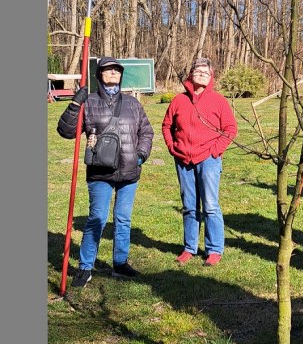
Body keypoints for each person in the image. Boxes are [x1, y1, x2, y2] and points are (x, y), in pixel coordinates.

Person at [57, 57, 154, 287]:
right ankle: (85, 267)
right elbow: (66, 131)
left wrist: (140, 155)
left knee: (123, 218)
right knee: (97, 219)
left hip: (129, 172)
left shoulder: (132, 104)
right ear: (100, 74)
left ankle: (120, 263)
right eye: (109, 70)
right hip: (100, 172)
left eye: (117, 71)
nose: (114, 74)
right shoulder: (88, 102)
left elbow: (146, 132)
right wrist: (74, 104)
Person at [162, 58, 238, 266]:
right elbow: (166, 125)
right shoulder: (179, 100)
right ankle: (189, 248)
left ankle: (214, 250)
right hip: (183, 160)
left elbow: (230, 129)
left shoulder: (218, 101)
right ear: (191, 74)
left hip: (209, 160)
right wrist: (173, 147)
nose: (202, 74)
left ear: (211, 76)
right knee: (189, 206)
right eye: (198, 70)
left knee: (211, 205)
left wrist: (215, 151)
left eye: (206, 71)